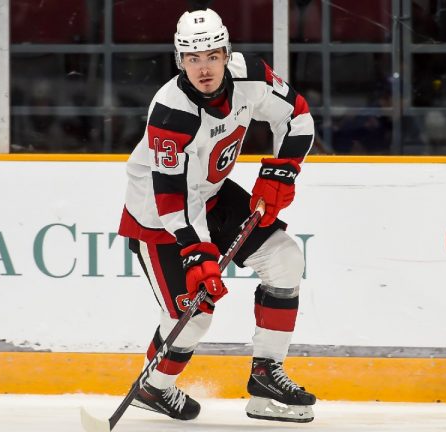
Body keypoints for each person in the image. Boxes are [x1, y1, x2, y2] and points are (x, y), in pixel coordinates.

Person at [117, 8, 316, 423]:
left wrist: (282, 171)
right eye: (192, 59)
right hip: (158, 216)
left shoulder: (252, 77)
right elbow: (171, 195)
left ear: (227, 53)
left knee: (285, 259)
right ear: (179, 61)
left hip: (211, 194)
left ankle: (266, 375)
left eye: (211, 55)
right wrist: (195, 250)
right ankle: (154, 388)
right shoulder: (171, 112)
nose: (203, 68)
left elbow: (297, 116)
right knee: (193, 314)